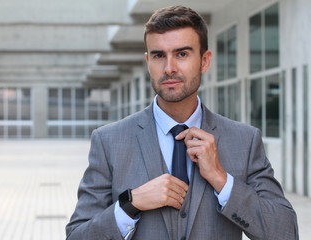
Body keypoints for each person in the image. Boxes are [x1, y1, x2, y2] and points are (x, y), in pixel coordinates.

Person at [66, 5, 298, 240]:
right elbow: (77, 236)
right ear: (148, 61)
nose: (169, 68)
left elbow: (286, 233)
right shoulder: (109, 141)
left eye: (182, 54)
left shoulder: (244, 141)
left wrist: (221, 179)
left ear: (205, 61)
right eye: (158, 56)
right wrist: (130, 204)